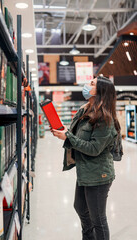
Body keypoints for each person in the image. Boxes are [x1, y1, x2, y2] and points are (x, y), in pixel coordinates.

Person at [51, 76, 120, 240]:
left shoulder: (105, 118)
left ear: (100, 91)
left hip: (98, 174)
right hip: (86, 171)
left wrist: (68, 138)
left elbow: (94, 148)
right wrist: (64, 131)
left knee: (98, 219)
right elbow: (77, 134)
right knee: (80, 207)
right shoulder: (86, 109)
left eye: (92, 83)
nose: (87, 85)